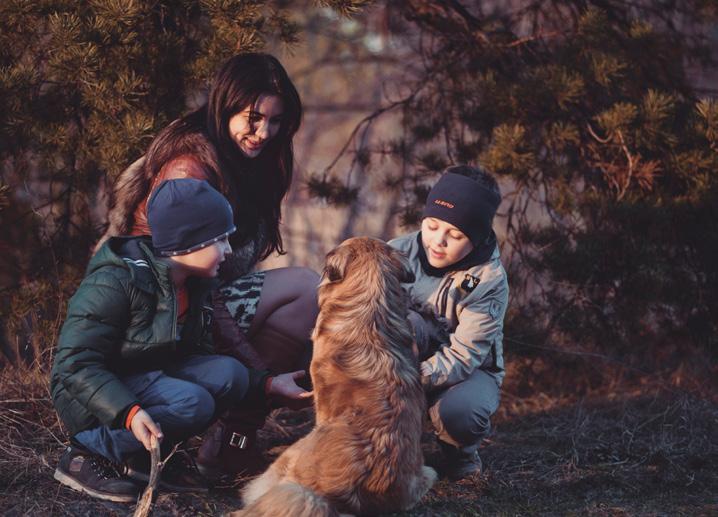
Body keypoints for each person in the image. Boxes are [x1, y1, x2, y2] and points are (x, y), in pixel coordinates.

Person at [98, 53, 319, 476]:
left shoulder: (253, 160)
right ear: (224, 106)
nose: (263, 133)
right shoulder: (189, 169)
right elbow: (179, 286)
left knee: (309, 293)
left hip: (199, 304)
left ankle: (231, 440)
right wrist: (260, 376)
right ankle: (227, 433)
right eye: (252, 118)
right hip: (158, 317)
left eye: (275, 122)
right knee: (304, 289)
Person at [51, 179, 312, 503]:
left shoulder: (193, 285)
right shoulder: (116, 281)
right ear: (186, 244)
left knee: (230, 374)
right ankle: (85, 454)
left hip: (144, 379)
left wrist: (268, 384)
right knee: (193, 402)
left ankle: (148, 457)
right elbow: (74, 364)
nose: (228, 250)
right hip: (91, 400)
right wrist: (129, 413)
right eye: (219, 240)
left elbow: (203, 356)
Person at [388, 165, 508, 480]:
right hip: (402, 359)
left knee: (462, 412)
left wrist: (406, 381)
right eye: (431, 226)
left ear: (477, 236)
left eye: (455, 235)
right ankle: (382, 447)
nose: (438, 241)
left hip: (464, 372)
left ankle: (460, 455)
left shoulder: (489, 280)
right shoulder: (396, 252)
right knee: (408, 323)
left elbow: (465, 355)